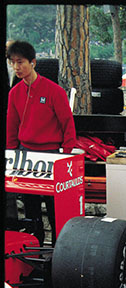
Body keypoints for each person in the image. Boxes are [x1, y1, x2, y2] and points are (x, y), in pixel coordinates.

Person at [6, 40, 76, 246]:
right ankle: (33, 249)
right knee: (30, 207)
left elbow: (67, 124)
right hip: (25, 156)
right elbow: (11, 127)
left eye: (21, 62)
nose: (16, 67)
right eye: (13, 63)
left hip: (52, 155)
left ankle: (58, 249)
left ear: (33, 62)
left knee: (54, 206)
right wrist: (11, 155)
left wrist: (66, 153)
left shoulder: (54, 91)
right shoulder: (14, 93)